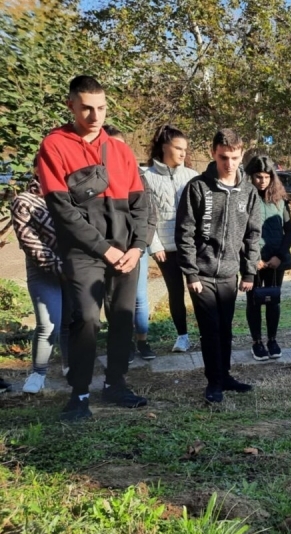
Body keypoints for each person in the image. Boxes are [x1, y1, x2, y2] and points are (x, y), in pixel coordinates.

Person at [38, 75, 150, 421]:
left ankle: (115, 383)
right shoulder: (54, 146)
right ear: (71, 105)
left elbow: (141, 204)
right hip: (84, 252)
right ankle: (80, 393)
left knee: (122, 317)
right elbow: (62, 210)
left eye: (100, 108)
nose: (94, 115)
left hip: (125, 251)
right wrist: (104, 248)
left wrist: (138, 246)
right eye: (86, 107)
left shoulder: (119, 149)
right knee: (86, 318)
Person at [175, 128, 261, 404]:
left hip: (229, 274)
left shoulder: (248, 192)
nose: (229, 163)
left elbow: (253, 234)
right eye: (224, 157)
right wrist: (190, 272)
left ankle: (225, 375)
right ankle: (213, 382)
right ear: (213, 153)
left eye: (235, 157)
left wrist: (248, 271)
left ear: (242, 154)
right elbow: (184, 232)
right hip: (201, 274)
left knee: (225, 328)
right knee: (210, 328)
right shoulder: (198, 187)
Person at [12, 156, 71, 394]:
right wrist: (60, 267)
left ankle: (70, 366)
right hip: (43, 270)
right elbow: (30, 242)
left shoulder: (70, 196)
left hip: (74, 268)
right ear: (37, 169)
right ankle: (39, 372)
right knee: (48, 324)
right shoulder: (23, 201)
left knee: (70, 321)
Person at [102, 125, 158, 363]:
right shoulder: (96, 176)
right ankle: (120, 345)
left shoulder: (139, 175)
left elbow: (150, 215)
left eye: (121, 145)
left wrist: (140, 245)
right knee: (110, 299)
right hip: (105, 250)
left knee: (138, 297)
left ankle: (142, 341)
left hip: (136, 248)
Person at [143, 124, 199, 353]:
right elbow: (145, 215)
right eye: (178, 148)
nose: (183, 153)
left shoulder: (193, 176)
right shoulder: (146, 177)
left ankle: (206, 332)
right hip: (165, 248)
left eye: (185, 148)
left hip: (193, 246)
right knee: (175, 292)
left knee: (198, 289)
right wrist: (154, 245)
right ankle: (182, 336)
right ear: (164, 147)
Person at [243, 155, 291, 361]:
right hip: (253, 260)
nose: (262, 181)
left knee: (273, 300)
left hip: (276, 261)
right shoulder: (244, 199)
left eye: (266, 176)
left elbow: (289, 232)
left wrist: (279, 257)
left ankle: (272, 339)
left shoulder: (281, 201)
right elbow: (240, 232)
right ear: (251, 177)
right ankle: (257, 342)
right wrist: (252, 259)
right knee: (254, 301)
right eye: (258, 176)